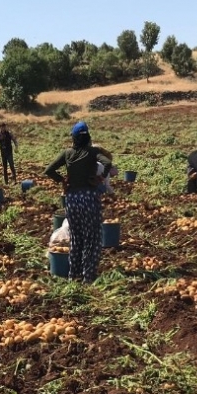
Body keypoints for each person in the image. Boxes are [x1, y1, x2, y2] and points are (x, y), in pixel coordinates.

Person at [44, 121, 113, 283]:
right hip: (89, 199)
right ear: (88, 137)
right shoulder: (93, 151)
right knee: (92, 239)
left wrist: (62, 180)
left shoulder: (67, 153)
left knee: (76, 239)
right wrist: (101, 178)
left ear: (74, 138)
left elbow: (49, 170)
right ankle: (88, 277)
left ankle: (74, 275)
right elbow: (108, 163)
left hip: (72, 200)